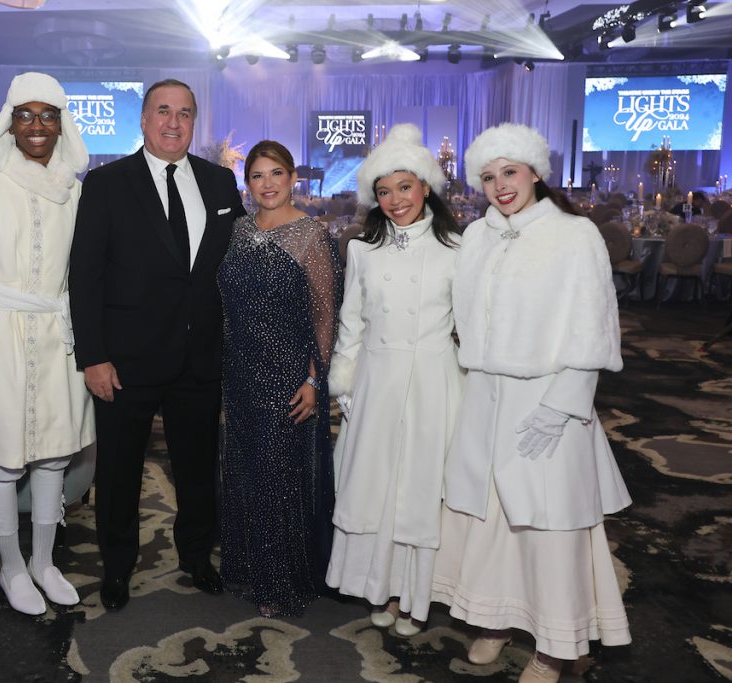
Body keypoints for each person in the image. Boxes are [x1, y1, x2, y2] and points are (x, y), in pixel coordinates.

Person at [431, 123, 631, 683]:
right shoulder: (476, 237)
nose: (500, 186)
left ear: (535, 172)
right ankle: (495, 619)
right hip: (486, 397)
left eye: (510, 172)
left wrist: (562, 404)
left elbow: (594, 327)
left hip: (547, 401)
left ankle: (556, 645)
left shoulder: (574, 235)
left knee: (550, 529)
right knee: (491, 520)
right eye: (489, 177)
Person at [69, 78, 246, 611]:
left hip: (199, 357)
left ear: (195, 122)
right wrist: (93, 356)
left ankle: (196, 556)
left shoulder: (220, 184)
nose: (174, 122)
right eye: (163, 111)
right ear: (143, 121)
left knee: (197, 467)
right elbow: (86, 276)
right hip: (125, 360)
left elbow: (232, 267)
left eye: (185, 113)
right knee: (119, 472)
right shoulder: (106, 184)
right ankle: (118, 567)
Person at [0, 72, 94, 616]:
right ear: (9, 121)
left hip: (56, 336)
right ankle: (10, 566)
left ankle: (44, 562)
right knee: (1, 463)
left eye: (48, 114)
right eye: (25, 114)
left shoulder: (75, 192)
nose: (37, 125)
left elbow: (83, 272)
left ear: (61, 124)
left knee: (52, 458)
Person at [325, 124, 463, 636]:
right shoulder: (363, 250)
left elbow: (470, 327)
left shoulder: (457, 247)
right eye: (383, 191)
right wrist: (346, 385)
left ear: (426, 186)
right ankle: (380, 587)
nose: (395, 199)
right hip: (377, 382)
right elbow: (351, 323)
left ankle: (415, 596)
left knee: (421, 489)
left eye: (404, 187)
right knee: (378, 487)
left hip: (434, 381)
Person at [217, 140, 340, 617]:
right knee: (245, 469)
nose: (266, 184)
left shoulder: (312, 234)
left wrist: (314, 378)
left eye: (275, 174)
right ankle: (248, 569)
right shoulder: (236, 231)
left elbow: (326, 314)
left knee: (280, 476)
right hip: (239, 369)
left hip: (289, 373)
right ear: (247, 184)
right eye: (256, 176)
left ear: (292, 178)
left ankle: (283, 580)